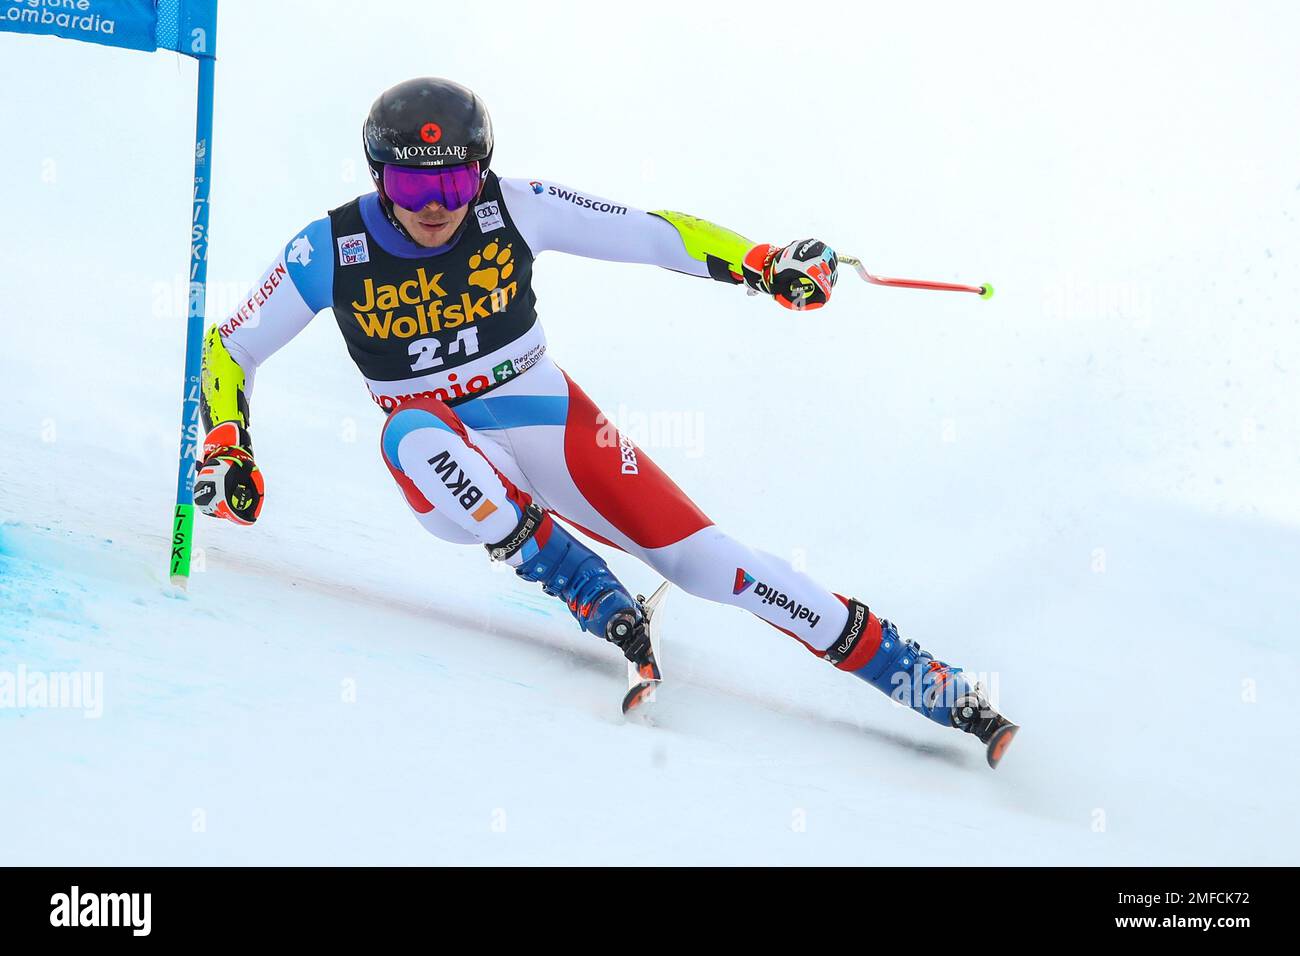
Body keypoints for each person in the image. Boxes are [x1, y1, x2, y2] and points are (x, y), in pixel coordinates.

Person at [195, 77, 1017, 766]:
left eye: (454, 183)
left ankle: (937, 690)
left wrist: (761, 264)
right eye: (414, 187)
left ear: (484, 170)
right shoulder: (327, 249)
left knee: (714, 566)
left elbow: (650, 235)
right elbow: (230, 347)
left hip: (547, 415)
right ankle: (593, 595)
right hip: (446, 460)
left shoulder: (514, 207)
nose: (436, 207)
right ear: (379, 178)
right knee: (410, 432)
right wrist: (228, 442)